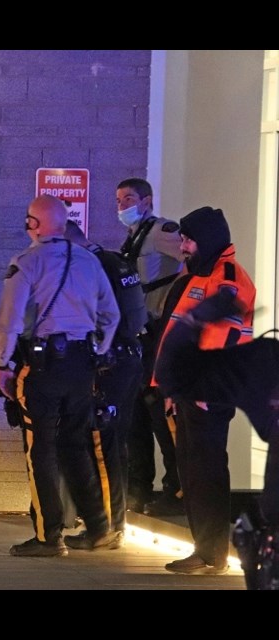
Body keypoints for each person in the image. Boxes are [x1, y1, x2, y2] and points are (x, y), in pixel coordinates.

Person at [0, 195, 120, 557]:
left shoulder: (27, 262)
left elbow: (10, 320)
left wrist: (2, 364)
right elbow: (110, 316)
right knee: (76, 444)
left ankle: (49, 535)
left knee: (42, 449)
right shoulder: (89, 261)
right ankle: (98, 528)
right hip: (82, 364)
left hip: (44, 365)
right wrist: (97, 350)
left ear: (33, 224)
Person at [154, 290, 279, 588]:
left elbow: (173, 375)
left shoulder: (266, 361)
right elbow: (174, 376)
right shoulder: (265, 362)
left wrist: (195, 319)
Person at [155, 206, 255, 575]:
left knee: (207, 470)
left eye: (188, 239)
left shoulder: (226, 276)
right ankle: (204, 549)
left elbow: (221, 334)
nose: (183, 246)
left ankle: (212, 554)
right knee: (193, 471)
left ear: (207, 239)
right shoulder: (205, 274)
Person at [64, 220, 147, 537]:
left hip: (108, 364)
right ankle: (112, 521)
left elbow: (95, 318)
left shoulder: (90, 266)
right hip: (128, 358)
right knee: (113, 443)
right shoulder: (115, 260)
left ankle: (108, 526)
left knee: (99, 443)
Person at [116, 177, 186, 515]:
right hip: (139, 336)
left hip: (158, 331)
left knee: (160, 414)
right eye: (118, 200)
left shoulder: (162, 231)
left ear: (146, 200)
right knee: (137, 416)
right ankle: (139, 489)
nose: (122, 206)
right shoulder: (133, 237)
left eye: (128, 198)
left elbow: (190, 261)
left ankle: (176, 489)